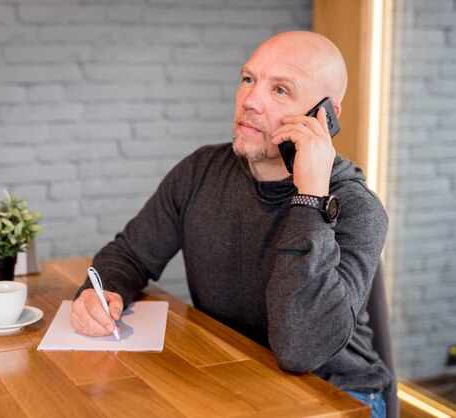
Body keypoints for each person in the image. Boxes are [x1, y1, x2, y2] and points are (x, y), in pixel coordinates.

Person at [70, 31, 390, 417]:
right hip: (236, 376)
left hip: (336, 399)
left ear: (325, 115)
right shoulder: (200, 171)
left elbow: (298, 350)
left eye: (281, 90)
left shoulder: (357, 207)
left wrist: (310, 197)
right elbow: (130, 254)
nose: (249, 100)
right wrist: (101, 291)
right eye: (249, 79)